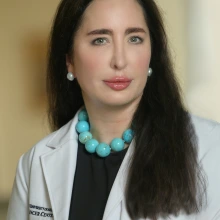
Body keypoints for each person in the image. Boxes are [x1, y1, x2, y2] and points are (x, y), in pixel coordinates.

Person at [7, 0, 220, 219]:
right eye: (100, 40)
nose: (120, 61)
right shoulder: (34, 162)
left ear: (151, 53)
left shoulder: (212, 149)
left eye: (134, 38)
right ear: (70, 60)